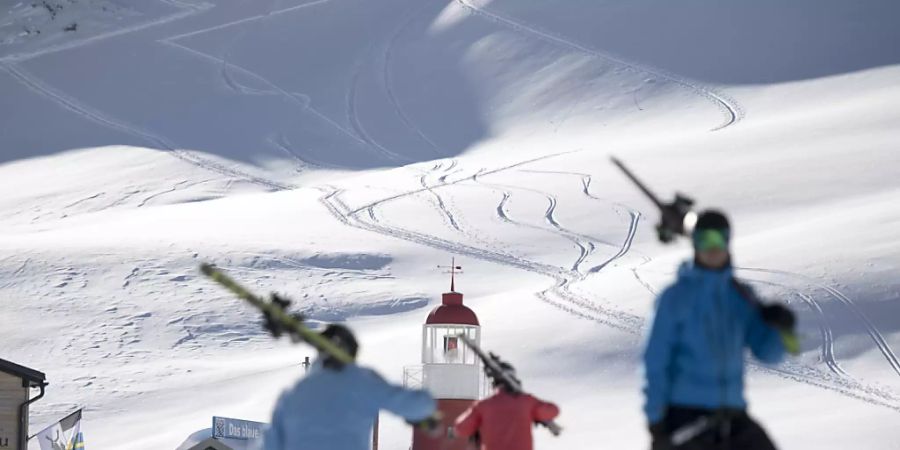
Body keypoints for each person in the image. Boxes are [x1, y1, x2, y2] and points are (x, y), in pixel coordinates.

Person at [643, 210, 797, 450]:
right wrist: (656, 422)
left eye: (718, 239)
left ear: (728, 241)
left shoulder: (739, 297)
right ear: (694, 244)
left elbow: (768, 353)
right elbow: (655, 361)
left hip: (733, 416)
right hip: (685, 416)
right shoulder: (675, 298)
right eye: (705, 240)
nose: (712, 248)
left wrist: (780, 328)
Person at [263, 324, 437, 450]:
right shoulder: (362, 382)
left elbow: (270, 443)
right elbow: (416, 405)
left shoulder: (294, 393)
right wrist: (427, 409)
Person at [453, 361, 560, 450]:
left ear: (494, 382)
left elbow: (461, 428)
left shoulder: (483, 406)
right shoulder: (527, 401)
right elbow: (553, 410)